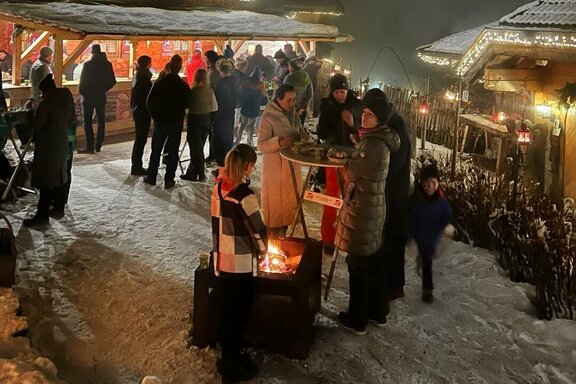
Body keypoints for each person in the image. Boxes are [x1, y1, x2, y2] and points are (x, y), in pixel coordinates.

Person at [335, 97, 400, 335]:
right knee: (372, 260)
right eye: (364, 113)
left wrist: (344, 161)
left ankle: (357, 318)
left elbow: (351, 173)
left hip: (363, 209)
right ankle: (377, 311)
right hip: (373, 206)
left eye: (370, 115)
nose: (364, 117)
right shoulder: (377, 139)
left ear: (380, 119)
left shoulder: (373, 144)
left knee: (358, 264)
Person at [211, 144, 267, 383]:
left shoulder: (218, 188)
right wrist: (264, 251)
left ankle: (228, 355)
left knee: (226, 311)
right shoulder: (245, 196)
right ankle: (232, 365)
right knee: (239, 313)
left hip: (222, 258)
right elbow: (257, 230)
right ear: (247, 166)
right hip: (241, 264)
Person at [365, 89, 412, 307]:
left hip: (394, 194)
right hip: (394, 191)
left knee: (392, 240)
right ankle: (389, 285)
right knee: (390, 239)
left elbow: (392, 167)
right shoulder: (394, 123)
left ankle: (392, 288)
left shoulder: (396, 129)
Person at [317, 73, 362, 254]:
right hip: (333, 159)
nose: (340, 96)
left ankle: (350, 236)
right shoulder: (327, 106)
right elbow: (321, 131)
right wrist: (332, 139)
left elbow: (364, 128)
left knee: (352, 199)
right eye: (336, 92)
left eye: (342, 91)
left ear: (347, 90)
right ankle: (328, 237)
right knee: (332, 198)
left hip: (353, 159)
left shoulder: (357, 106)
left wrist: (353, 123)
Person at [23, 74, 75, 227]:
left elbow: (37, 125)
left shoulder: (46, 104)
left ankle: (42, 215)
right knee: (60, 176)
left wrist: (29, 112)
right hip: (62, 142)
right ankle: (59, 208)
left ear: (44, 91)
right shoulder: (66, 100)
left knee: (46, 181)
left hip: (48, 146)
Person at [257, 84, 304, 237]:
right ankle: (271, 248)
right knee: (274, 214)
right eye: (289, 100)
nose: (292, 104)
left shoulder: (294, 115)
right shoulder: (268, 117)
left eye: (294, 100)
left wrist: (304, 138)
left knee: (288, 210)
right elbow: (261, 145)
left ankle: (283, 245)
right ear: (279, 99)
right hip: (275, 169)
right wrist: (281, 142)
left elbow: (300, 133)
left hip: (291, 168)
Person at [144, 54, 190, 189]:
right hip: (176, 121)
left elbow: (149, 102)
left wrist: (155, 116)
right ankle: (169, 179)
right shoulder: (183, 85)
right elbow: (188, 103)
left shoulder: (160, 83)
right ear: (180, 68)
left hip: (161, 120)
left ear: (169, 67)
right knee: (173, 150)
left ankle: (151, 176)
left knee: (156, 149)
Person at [410, 163, 453, 304]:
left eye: (433, 183)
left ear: (438, 183)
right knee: (426, 261)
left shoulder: (441, 200)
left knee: (427, 260)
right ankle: (427, 290)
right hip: (421, 236)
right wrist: (409, 236)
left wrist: (448, 226)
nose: (430, 187)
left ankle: (426, 286)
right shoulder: (417, 199)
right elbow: (411, 217)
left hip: (433, 236)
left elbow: (446, 215)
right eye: (426, 183)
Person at [78, 44, 117, 153]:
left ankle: (89, 146)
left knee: (87, 121)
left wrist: (82, 93)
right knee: (101, 121)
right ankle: (98, 145)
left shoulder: (88, 65)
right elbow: (113, 81)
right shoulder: (107, 64)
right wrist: (104, 89)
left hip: (88, 97)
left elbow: (83, 82)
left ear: (92, 52)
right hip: (100, 96)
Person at [181, 68, 218, 182]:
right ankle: (193, 172)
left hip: (195, 120)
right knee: (199, 147)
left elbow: (186, 109)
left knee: (194, 148)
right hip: (206, 120)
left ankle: (198, 173)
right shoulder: (210, 90)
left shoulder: (192, 91)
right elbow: (214, 107)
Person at [213, 58, 239, 167]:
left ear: (220, 70)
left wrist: (215, 117)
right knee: (228, 138)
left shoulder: (221, 85)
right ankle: (229, 162)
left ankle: (224, 165)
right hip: (230, 113)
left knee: (219, 141)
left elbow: (221, 102)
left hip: (221, 115)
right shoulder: (235, 81)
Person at [130, 55, 153, 176]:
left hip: (138, 110)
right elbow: (145, 98)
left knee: (140, 138)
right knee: (140, 139)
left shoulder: (137, 76)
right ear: (148, 64)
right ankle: (136, 166)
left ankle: (136, 165)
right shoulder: (144, 79)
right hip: (142, 112)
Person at [236, 67, 266, 147]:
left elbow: (240, 92)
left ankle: (238, 140)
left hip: (245, 106)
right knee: (251, 125)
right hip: (254, 106)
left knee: (242, 124)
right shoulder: (260, 85)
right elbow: (264, 95)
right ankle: (250, 141)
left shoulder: (245, 83)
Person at [283, 58, 312, 126]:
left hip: (290, 108)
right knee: (300, 127)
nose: (288, 68)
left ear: (292, 67)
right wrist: (303, 108)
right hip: (302, 107)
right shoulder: (306, 76)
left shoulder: (288, 77)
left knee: (290, 128)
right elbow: (310, 94)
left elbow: (284, 93)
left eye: (289, 66)